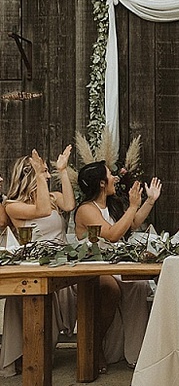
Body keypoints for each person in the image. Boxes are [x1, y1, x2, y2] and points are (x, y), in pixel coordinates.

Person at [73, 161, 162, 372]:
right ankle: (94, 345)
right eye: (110, 174)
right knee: (110, 289)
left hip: (117, 263)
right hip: (93, 266)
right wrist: (132, 206)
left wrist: (149, 201)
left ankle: (136, 353)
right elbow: (112, 235)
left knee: (139, 286)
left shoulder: (111, 205)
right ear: (101, 183)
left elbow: (132, 224)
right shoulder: (86, 210)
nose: (115, 177)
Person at [0, 147, 76, 377]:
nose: (48, 176)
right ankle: (27, 356)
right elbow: (42, 211)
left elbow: (69, 205)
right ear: (31, 176)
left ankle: (39, 353)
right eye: (44, 172)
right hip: (34, 266)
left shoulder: (53, 198)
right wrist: (39, 175)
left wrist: (63, 171)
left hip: (61, 262)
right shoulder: (12, 206)